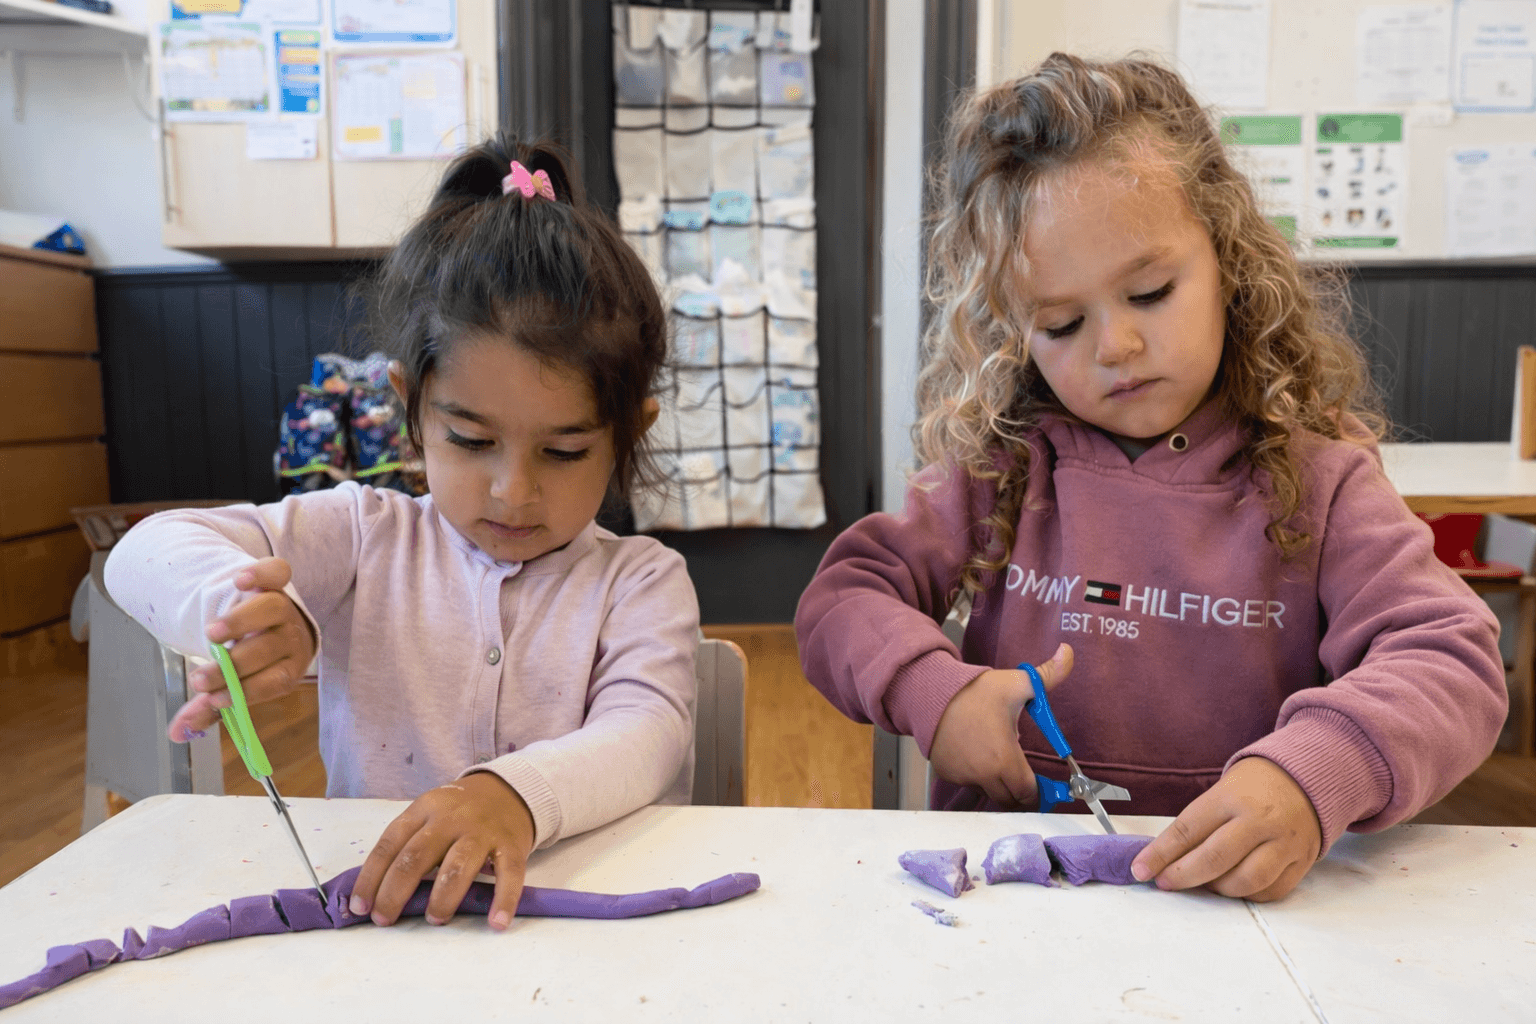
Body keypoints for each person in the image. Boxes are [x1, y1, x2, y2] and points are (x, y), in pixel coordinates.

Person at [795, 54, 1506, 902]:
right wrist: (932, 692)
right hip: (1010, 910)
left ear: (1229, 262)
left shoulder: (1319, 478)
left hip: (1240, 911)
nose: (1116, 348)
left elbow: (1449, 656)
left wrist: (1316, 771)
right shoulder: (1002, 466)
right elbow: (844, 599)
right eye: (1062, 323)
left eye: (1151, 292)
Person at [105, 134, 698, 931]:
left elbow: (648, 733)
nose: (513, 490)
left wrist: (513, 796)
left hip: (576, 929)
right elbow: (141, 552)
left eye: (563, 451)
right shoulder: (363, 536)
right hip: (381, 929)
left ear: (629, 433)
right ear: (410, 408)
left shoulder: (642, 582)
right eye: (471, 440)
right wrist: (229, 603)